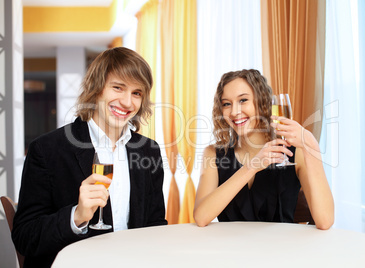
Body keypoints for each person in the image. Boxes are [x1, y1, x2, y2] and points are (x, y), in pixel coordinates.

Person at [12, 47, 167, 267]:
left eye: (137, 93)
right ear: (96, 89)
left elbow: (155, 224)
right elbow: (25, 237)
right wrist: (76, 216)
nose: (127, 102)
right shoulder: (47, 150)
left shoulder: (148, 150)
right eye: (118, 88)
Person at [193, 69, 334, 229]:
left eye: (243, 100)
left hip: (280, 251)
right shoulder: (214, 153)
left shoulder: (295, 152)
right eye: (227, 104)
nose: (234, 112)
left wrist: (310, 144)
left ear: (263, 102)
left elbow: (325, 220)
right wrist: (252, 166)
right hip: (231, 251)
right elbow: (201, 217)